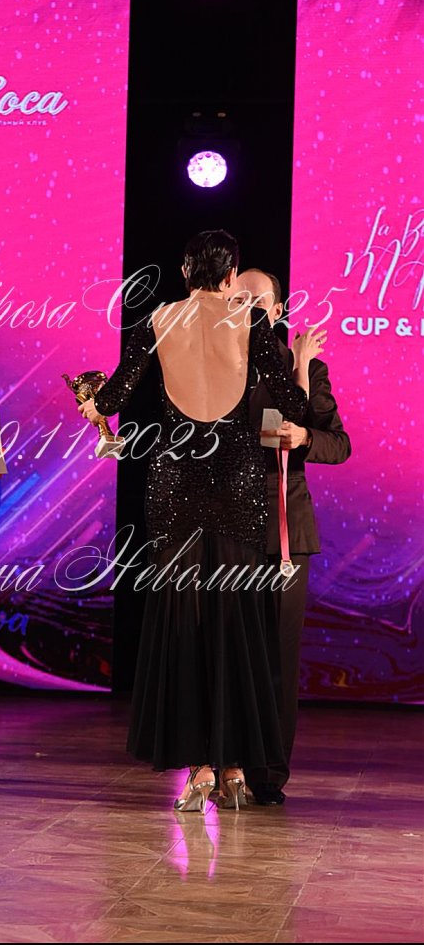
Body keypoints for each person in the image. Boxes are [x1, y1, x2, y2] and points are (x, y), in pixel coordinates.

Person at [79, 231, 324, 811]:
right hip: (238, 485)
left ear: (185, 270)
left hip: (177, 486)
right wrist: (302, 364)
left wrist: (91, 401)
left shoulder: (157, 320)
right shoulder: (252, 322)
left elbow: (113, 397)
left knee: (183, 622)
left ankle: (199, 772)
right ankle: (235, 767)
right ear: (231, 272)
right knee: (236, 623)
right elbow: (294, 407)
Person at [235, 268, 351, 805]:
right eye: (237, 300)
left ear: (278, 311)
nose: (246, 310)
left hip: (286, 527)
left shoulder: (304, 366)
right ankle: (222, 763)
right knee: (227, 647)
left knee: (277, 656)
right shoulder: (214, 367)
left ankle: (267, 774)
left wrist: (304, 436)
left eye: (257, 302)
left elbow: (339, 444)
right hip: (225, 525)